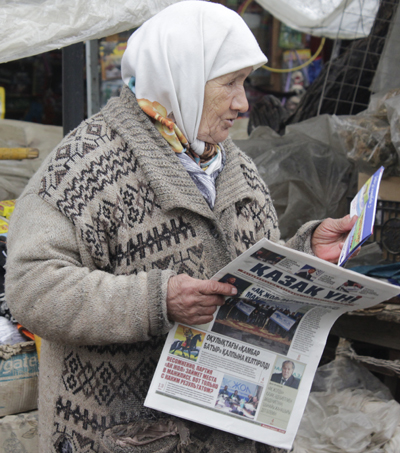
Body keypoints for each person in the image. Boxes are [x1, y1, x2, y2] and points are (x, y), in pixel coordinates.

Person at [5, 2, 357, 452]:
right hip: (122, 434)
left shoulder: (236, 167)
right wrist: (158, 300)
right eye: (230, 82)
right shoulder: (82, 167)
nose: (242, 102)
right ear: (182, 75)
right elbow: (32, 287)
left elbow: (247, 271)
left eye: (245, 82)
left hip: (232, 429)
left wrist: (306, 253)